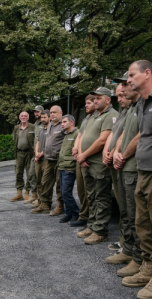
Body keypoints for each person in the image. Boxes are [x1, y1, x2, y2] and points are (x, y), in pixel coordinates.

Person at [120, 60, 152, 298]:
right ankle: (148, 267)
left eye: (131, 75)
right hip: (144, 170)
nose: (128, 80)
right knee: (143, 223)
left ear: (147, 73)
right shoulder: (142, 103)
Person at [77, 87, 119, 245]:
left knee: (101, 197)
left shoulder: (111, 115)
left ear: (108, 100)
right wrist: (82, 156)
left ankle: (100, 231)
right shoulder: (94, 116)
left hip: (98, 163)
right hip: (87, 161)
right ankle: (92, 225)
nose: (95, 101)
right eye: (94, 98)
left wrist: (84, 155)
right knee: (91, 196)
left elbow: (103, 140)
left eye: (98, 98)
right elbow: (84, 136)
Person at [112, 73, 143, 278]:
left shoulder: (143, 104)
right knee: (126, 211)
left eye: (128, 81)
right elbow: (123, 134)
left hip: (133, 166)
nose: (123, 88)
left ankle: (138, 258)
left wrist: (122, 154)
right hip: (123, 165)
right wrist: (115, 151)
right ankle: (129, 250)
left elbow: (143, 134)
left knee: (136, 216)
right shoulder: (132, 107)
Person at [102, 82, 132, 254]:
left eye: (122, 95)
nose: (120, 99)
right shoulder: (123, 113)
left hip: (124, 162)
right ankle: (124, 241)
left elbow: (126, 135)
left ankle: (129, 246)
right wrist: (107, 151)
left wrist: (114, 151)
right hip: (114, 162)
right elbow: (114, 134)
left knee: (129, 208)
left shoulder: (133, 111)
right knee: (122, 207)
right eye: (118, 96)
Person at [31, 105, 63, 215]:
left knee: (60, 184)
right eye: (52, 112)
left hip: (58, 160)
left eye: (54, 112)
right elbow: (43, 143)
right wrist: (37, 153)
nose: (53, 114)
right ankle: (45, 204)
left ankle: (60, 206)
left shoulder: (63, 125)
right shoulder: (50, 127)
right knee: (44, 182)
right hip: (49, 159)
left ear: (60, 113)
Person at [70, 95, 95, 227]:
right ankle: (84, 215)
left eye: (89, 103)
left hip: (88, 160)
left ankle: (91, 218)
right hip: (80, 159)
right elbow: (80, 135)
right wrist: (76, 150)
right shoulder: (86, 118)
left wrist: (83, 155)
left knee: (89, 191)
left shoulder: (96, 118)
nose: (86, 105)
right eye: (86, 103)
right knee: (80, 189)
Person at [57, 115, 80, 223]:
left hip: (69, 168)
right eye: (62, 122)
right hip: (62, 166)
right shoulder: (66, 134)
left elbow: (77, 150)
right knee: (63, 192)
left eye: (64, 122)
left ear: (72, 123)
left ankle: (76, 213)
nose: (62, 124)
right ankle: (68, 213)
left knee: (66, 192)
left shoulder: (77, 134)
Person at [11, 111, 35, 202]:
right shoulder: (16, 128)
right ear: (19, 117)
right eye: (22, 116)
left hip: (29, 153)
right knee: (18, 173)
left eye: (25, 116)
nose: (23, 117)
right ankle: (19, 193)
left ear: (28, 118)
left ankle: (27, 193)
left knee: (30, 173)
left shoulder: (32, 127)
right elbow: (15, 140)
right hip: (19, 153)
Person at [24, 105, 44, 204]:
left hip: (43, 154)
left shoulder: (46, 123)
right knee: (31, 174)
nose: (36, 113)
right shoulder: (35, 124)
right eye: (35, 112)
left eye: (38, 112)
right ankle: (34, 195)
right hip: (35, 153)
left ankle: (42, 199)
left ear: (42, 112)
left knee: (41, 177)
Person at [32, 110, 50, 208]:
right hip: (38, 158)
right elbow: (37, 142)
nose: (42, 119)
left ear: (49, 117)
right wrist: (36, 154)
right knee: (38, 181)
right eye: (42, 117)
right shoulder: (41, 129)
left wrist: (41, 154)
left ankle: (46, 202)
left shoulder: (51, 129)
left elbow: (49, 144)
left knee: (45, 182)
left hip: (46, 159)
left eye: (45, 117)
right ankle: (40, 200)